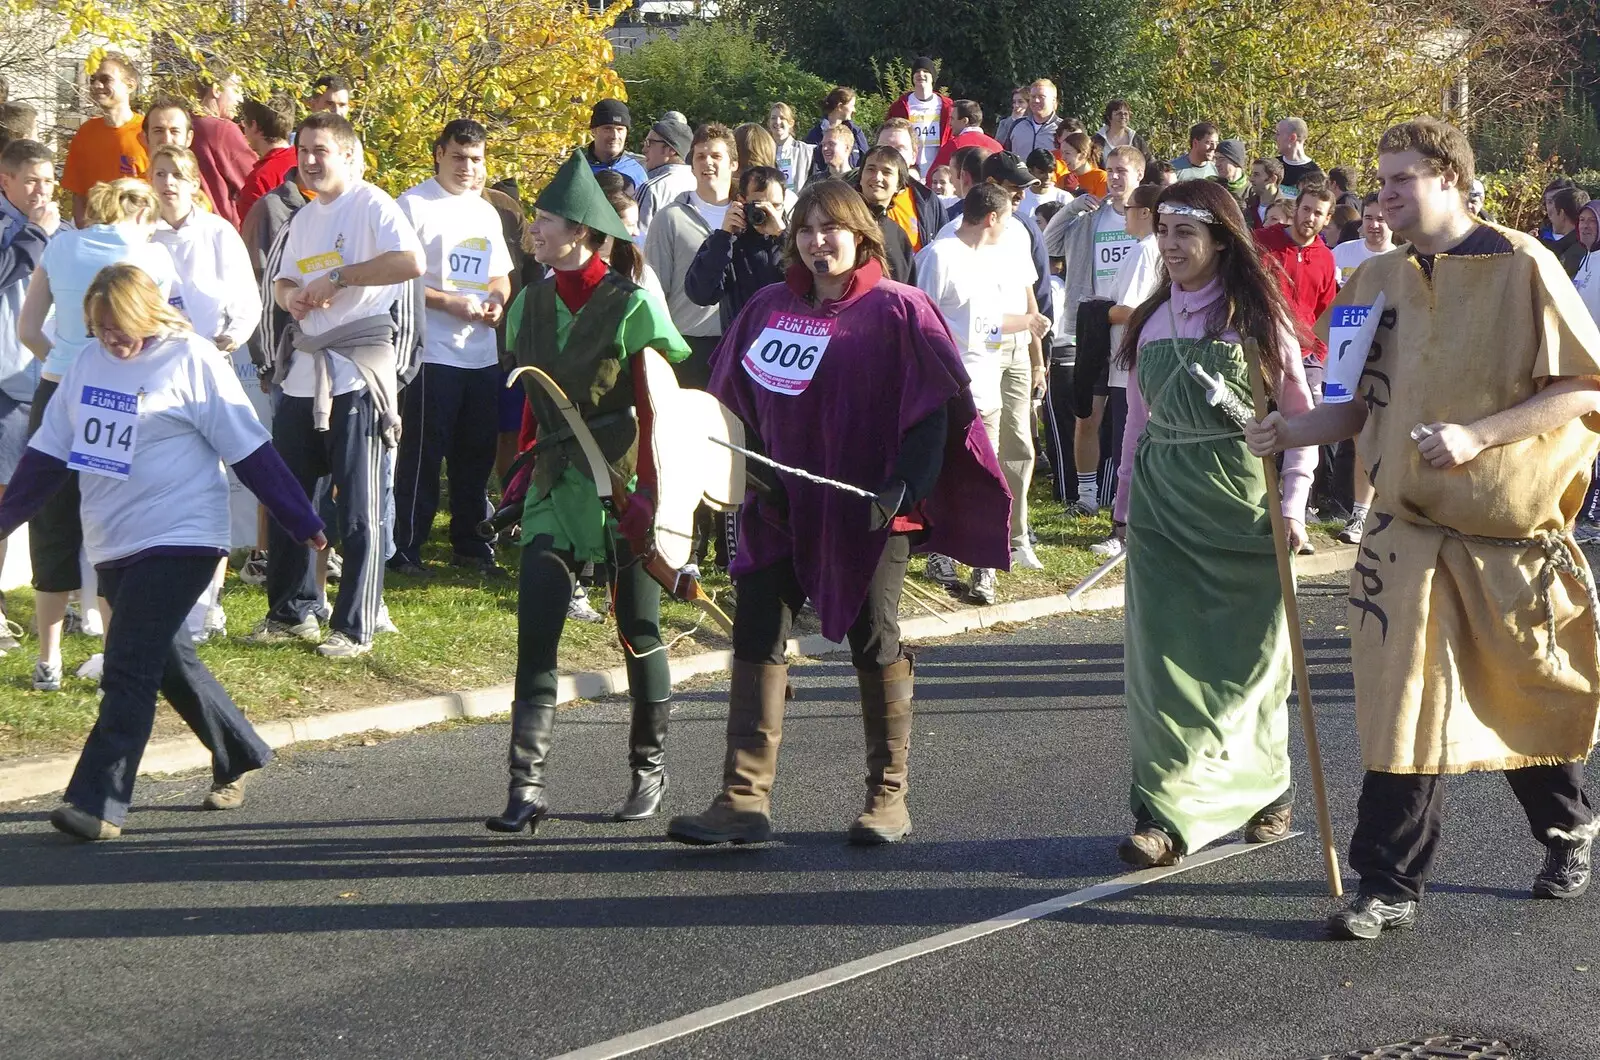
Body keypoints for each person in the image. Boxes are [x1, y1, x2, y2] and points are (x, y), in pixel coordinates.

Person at [1246, 117, 1600, 941]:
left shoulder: (1524, 264)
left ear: (1450, 176)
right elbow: (1356, 406)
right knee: (1403, 707)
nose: (1384, 196)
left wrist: (1479, 436)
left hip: (1506, 536)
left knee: (1517, 698)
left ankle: (1569, 824)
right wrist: (1290, 432)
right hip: (1404, 530)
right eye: (1380, 182)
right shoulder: (1370, 280)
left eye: (1401, 179)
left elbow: (1585, 388)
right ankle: (1388, 883)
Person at [665, 178, 1012, 848]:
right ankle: (743, 799)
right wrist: (741, 471)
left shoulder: (902, 310)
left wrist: (905, 488)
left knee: (872, 639)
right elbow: (726, 403)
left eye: (832, 229)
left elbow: (936, 411)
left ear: (861, 235)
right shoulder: (767, 308)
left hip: (871, 511)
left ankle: (888, 797)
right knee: (756, 632)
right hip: (777, 503)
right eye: (806, 230)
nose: (818, 242)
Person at [0, 263, 324, 840]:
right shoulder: (85, 365)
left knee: (127, 666)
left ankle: (98, 801)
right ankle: (239, 751)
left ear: (147, 312)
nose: (110, 339)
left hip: (182, 536)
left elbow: (247, 446)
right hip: (113, 542)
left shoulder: (190, 359)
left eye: (118, 326)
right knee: (165, 658)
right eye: (99, 328)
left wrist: (298, 517)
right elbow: (48, 456)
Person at [1112, 178, 1315, 869]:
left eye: (1185, 233)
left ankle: (1266, 785)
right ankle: (1163, 812)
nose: (1170, 246)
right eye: (1163, 231)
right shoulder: (1149, 322)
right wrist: (1124, 500)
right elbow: (1137, 424)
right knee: (1163, 667)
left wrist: (1293, 504)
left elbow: (1299, 418)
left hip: (1240, 506)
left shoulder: (1257, 320)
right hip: (1165, 506)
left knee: (1248, 663)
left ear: (1221, 239)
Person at [488, 152, 692, 832]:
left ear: (579, 230)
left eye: (544, 219)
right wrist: (515, 483)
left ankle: (648, 767)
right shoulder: (528, 305)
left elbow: (658, 408)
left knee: (639, 630)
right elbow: (530, 410)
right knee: (537, 631)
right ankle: (526, 787)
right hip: (554, 484)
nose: (533, 229)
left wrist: (653, 502)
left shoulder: (632, 305)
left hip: (622, 482)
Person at [255, 110, 425, 658]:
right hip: (305, 371)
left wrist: (341, 276)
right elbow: (281, 279)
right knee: (290, 499)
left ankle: (356, 625)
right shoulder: (303, 216)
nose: (308, 159)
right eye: (303, 149)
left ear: (350, 155)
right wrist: (292, 298)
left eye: (320, 150)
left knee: (358, 505)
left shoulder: (373, 203)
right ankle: (294, 610)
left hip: (356, 370)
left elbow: (411, 261)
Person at [17, 178, 176, 690]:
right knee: (112, 522)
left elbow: (27, 330)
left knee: (52, 523)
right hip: (114, 397)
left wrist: (63, 361)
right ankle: (112, 650)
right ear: (141, 214)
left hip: (55, 390)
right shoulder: (153, 258)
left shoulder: (61, 244)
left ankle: (49, 659)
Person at [150, 144, 264, 638]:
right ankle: (157, 598)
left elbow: (247, 300)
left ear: (195, 182)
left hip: (208, 373)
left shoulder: (218, 234)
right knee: (161, 489)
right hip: (153, 379)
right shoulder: (140, 236)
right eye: (160, 174)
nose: (169, 183)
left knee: (211, 490)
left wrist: (231, 338)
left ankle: (209, 602)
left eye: (178, 174)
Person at [391, 119, 513, 576]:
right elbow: (399, 281)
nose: (467, 167)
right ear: (439, 153)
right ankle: (406, 548)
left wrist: (497, 301)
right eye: (459, 157)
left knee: (475, 455)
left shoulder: (484, 211)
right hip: (431, 354)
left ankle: (471, 545)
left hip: (479, 354)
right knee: (423, 457)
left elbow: (500, 274)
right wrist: (448, 303)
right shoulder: (413, 205)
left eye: (477, 159)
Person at [915, 182, 1049, 598]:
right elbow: (922, 320)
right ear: (991, 217)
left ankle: (983, 563)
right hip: (951, 387)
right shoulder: (940, 255)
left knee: (983, 475)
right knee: (946, 471)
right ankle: (940, 550)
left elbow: (985, 323)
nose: (1011, 225)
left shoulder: (991, 258)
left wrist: (1028, 324)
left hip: (988, 385)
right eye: (1008, 216)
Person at [1042, 145, 1147, 520]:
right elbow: (1049, 246)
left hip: (1130, 329)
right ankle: (1086, 496)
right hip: (1089, 328)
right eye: (1111, 170)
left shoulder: (1150, 225)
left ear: (1139, 175)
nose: (1115, 177)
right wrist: (1071, 207)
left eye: (1123, 171)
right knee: (1087, 415)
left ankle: (1124, 500)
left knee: (1129, 420)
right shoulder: (1091, 216)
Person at [0, 139, 56, 652]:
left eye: (48, 179)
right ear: (6, 181)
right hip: (4, 383)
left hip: (40, 380)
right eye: (31, 181)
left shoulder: (61, 231)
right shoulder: (21, 229)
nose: (42, 190)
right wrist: (37, 233)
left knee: (34, 495)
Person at [644, 122, 739, 389]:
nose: (707, 162)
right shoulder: (669, 218)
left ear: (733, 164)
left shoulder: (751, 216)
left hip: (740, 342)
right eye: (700, 156)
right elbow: (654, 290)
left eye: (716, 156)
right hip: (688, 345)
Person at [684, 164, 787, 329]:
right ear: (741, 202)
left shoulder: (797, 241)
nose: (768, 214)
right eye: (760, 206)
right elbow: (700, 295)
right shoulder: (728, 243)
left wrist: (782, 237)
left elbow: (811, 287)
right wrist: (724, 237)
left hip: (789, 341)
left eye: (775, 206)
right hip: (742, 345)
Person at [62, 52, 147, 225]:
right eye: (93, 79)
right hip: (96, 233)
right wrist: (82, 232)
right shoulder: (85, 133)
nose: (97, 85)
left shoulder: (147, 131)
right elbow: (79, 194)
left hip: (137, 231)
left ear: (130, 85)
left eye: (106, 79)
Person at [190, 66, 257, 228]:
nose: (240, 99)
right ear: (217, 90)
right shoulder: (222, 129)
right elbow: (254, 179)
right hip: (221, 228)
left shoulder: (180, 124)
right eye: (236, 89)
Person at [854, 145, 919, 284]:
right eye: (870, 169)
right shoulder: (844, 222)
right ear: (860, 177)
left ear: (899, 185)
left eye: (886, 172)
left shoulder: (898, 235)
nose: (877, 177)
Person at [236, 95, 298, 226]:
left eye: (244, 125)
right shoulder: (304, 160)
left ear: (254, 126)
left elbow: (253, 233)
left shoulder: (260, 178)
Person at [886, 56, 953, 176]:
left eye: (926, 71)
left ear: (933, 77)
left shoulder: (948, 107)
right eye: (916, 71)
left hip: (939, 172)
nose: (921, 74)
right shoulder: (899, 106)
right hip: (908, 170)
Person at [634, 114, 696, 240]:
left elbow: (637, 240)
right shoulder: (699, 183)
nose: (644, 149)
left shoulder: (652, 188)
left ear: (671, 150)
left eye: (650, 143)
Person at [927, 100, 1003, 178]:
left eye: (952, 119)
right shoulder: (997, 146)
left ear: (964, 121)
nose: (950, 123)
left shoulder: (954, 145)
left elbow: (932, 178)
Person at [1333, 192, 1393, 287]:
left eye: (1381, 219)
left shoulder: (1400, 261)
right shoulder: (1340, 252)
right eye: (1368, 218)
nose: (1374, 225)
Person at [802, 87, 870, 170]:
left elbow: (867, 159)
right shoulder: (816, 134)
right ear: (840, 106)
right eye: (852, 106)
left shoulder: (855, 132)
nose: (854, 110)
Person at [585, 99, 647, 188]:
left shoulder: (641, 168)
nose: (614, 136)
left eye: (620, 129)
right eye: (607, 129)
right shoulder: (578, 169)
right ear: (593, 131)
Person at [1003, 79, 1062, 158]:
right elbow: (1007, 157)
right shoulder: (1016, 125)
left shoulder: (1062, 128)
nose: (1036, 100)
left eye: (1041, 97)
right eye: (1033, 97)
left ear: (1053, 100)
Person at [765, 103, 813, 193]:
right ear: (769, 123)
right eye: (773, 118)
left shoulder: (805, 150)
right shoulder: (763, 150)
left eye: (782, 118)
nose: (777, 121)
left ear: (791, 123)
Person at [1274, 117, 1324, 197]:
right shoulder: (1272, 166)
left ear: (1293, 138)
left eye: (1278, 134)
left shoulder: (1314, 174)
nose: (1275, 138)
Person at [1548, 186, 1591, 278]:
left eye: (1553, 211)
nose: (1550, 216)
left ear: (1562, 214)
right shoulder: (1586, 245)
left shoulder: (1573, 256)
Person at [1055, 131, 1107, 198]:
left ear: (1083, 155)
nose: (1063, 158)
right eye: (1062, 153)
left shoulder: (1101, 177)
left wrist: (1077, 190)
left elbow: (1101, 206)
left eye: (1067, 153)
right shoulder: (1063, 179)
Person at [1022, 150, 1069, 219]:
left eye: (1050, 171)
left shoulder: (1064, 197)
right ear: (1030, 171)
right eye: (1042, 172)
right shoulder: (1020, 197)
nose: (1047, 177)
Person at [1245, 158, 1284, 228]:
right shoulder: (1247, 205)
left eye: (1256, 175)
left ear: (1272, 179)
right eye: (1252, 174)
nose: (1251, 179)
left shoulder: (1286, 210)